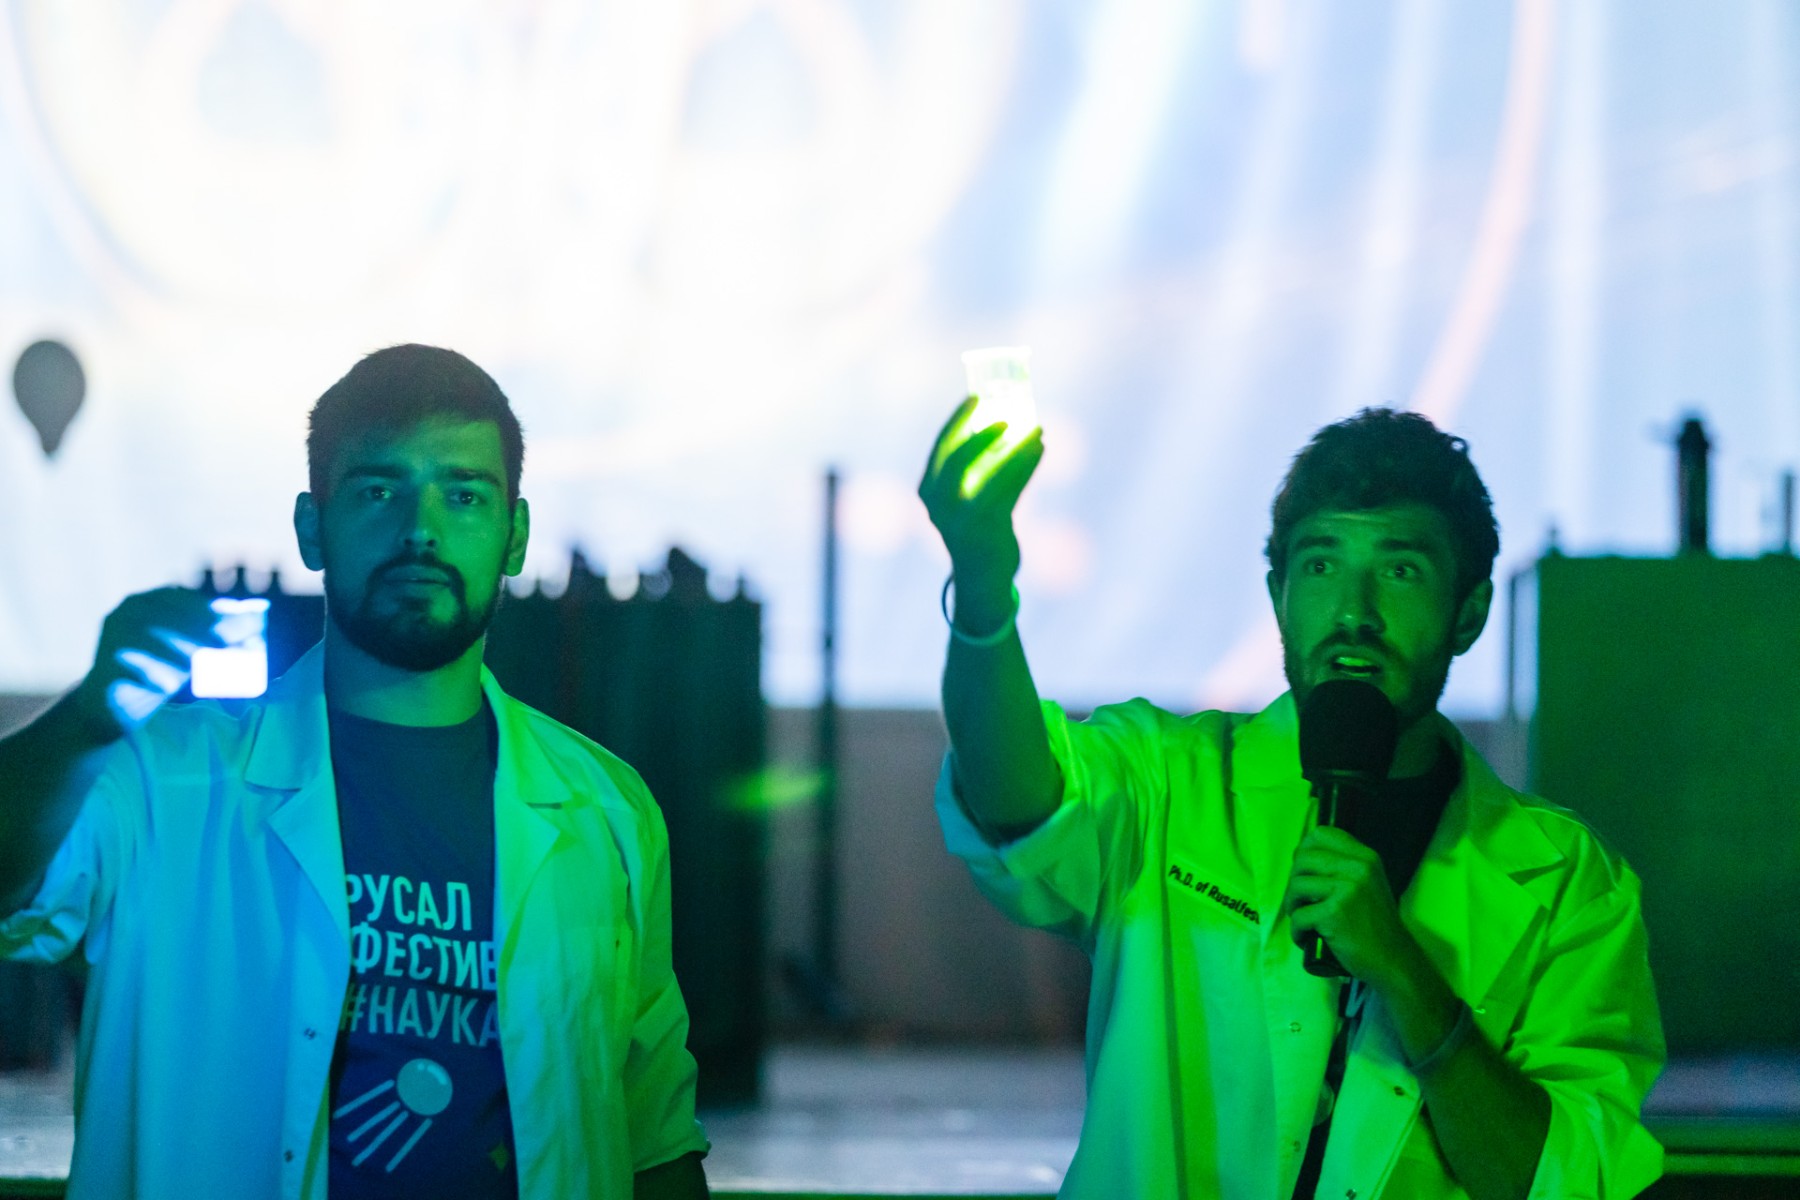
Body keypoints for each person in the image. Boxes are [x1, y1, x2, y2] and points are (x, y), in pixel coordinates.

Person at [0, 345, 711, 1200]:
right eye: (379, 491)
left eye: (463, 494)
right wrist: (84, 719)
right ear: (312, 529)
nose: (421, 529)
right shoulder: (161, 779)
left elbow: (653, 1138)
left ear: (516, 534)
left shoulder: (608, 811)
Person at [918, 402, 1664, 1200]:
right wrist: (984, 593)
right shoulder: (1169, 779)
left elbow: (1568, 1182)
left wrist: (1404, 973)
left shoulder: (1569, 884)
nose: (1354, 612)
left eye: (1400, 571)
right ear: (1278, 596)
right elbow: (1014, 800)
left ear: (1468, 614)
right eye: (1320, 566)